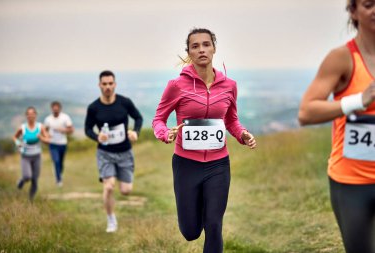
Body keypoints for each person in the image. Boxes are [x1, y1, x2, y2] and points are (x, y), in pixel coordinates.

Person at [152, 28, 257, 253]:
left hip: (218, 165)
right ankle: (197, 205)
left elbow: (232, 121)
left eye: (206, 44)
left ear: (214, 48)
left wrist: (243, 134)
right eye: (195, 46)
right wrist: (165, 133)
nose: (201, 49)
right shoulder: (176, 86)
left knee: (214, 224)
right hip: (186, 164)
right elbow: (158, 119)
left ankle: (209, 210)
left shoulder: (229, 86)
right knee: (190, 232)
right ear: (189, 52)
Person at [298, 0, 375, 252]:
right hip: (351, 182)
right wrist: (358, 100)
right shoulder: (342, 58)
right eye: (369, 4)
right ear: (353, 11)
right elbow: (306, 112)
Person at [84, 70, 143, 233]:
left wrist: (135, 132)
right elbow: (87, 129)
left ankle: (117, 177)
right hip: (105, 153)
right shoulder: (94, 107)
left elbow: (138, 118)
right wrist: (97, 137)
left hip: (125, 152)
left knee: (126, 191)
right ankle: (111, 219)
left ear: (115, 84)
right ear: (99, 85)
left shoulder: (124, 102)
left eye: (110, 84)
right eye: (104, 84)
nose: (108, 87)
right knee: (109, 187)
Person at [13, 106, 50, 200]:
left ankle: (31, 200)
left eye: (32, 114)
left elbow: (48, 140)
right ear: (26, 116)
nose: (31, 116)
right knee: (27, 176)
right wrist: (19, 145)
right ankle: (22, 180)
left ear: (35, 115)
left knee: (34, 180)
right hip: (25, 156)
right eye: (28, 114)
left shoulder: (40, 127)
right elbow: (15, 137)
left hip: (37, 156)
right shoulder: (22, 128)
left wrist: (41, 138)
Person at [44, 101, 74, 187]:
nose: (55, 111)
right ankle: (58, 180)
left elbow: (71, 130)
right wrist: (46, 136)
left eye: (57, 109)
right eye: (54, 109)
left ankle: (58, 173)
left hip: (62, 143)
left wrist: (63, 130)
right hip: (52, 144)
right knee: (56, 161)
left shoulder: (65, 117)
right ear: (52, 109)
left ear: (60, 109)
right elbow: (44, 130)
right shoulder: (48, 119)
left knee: (60, 163)